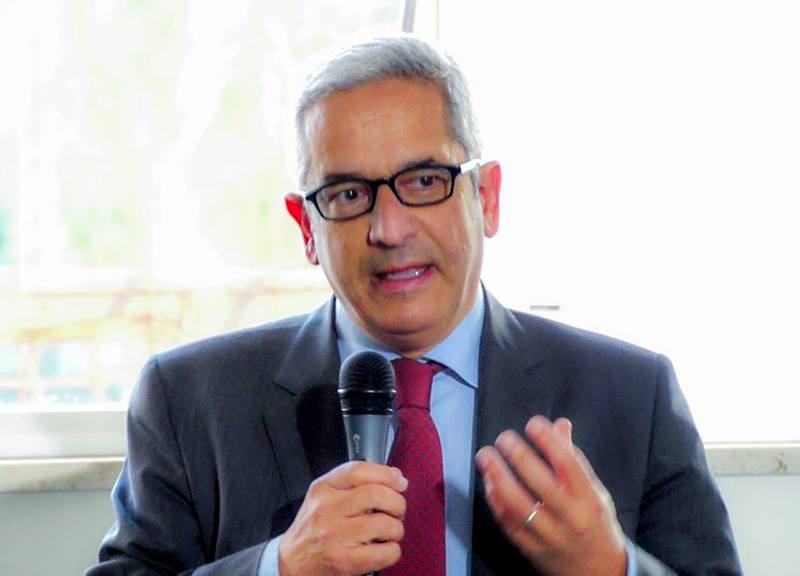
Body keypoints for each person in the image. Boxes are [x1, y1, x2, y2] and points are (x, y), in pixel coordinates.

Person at [87, 35, 741, 576]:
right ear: (306, 228)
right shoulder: (187, 400)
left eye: (425, 181)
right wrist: (277, 568)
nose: (389, 229)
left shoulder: (634, 396)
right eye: (348, 194)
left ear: (487, 197)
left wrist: (611, 568)